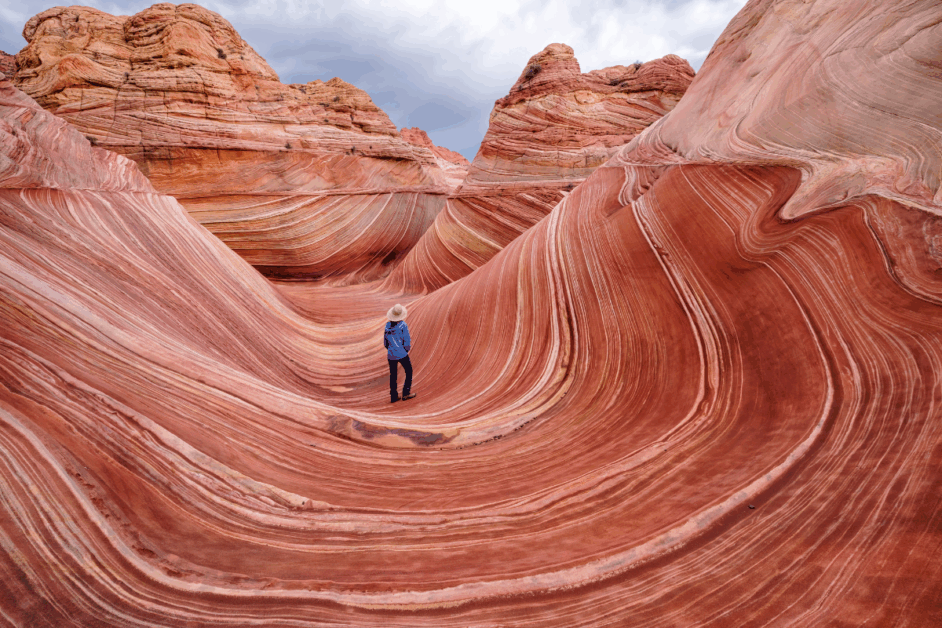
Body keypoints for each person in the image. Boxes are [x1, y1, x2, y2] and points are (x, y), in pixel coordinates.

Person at [384, 303, 414, 403]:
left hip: (391, 354)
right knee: (408, 371)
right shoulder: (402, 325)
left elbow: (385, 342)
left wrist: (390, 349)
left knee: (393, 375)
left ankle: (393, 396)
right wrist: (405, 350)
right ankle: (405, 393)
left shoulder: (387, 326)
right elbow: (406, 340)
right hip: (401, 353)